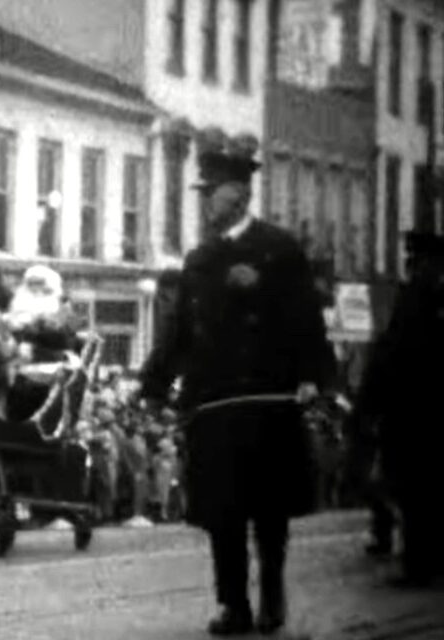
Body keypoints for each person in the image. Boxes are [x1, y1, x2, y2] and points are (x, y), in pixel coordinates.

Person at [139, 146, 331, 636]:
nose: (206, 200)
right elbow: (179, 330)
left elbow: (308, 320)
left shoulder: (279, 250)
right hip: (215, 403)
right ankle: (233, 604)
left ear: (241, 195)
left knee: (269, 510)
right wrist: (154, 384)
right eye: (204, 192)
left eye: (213, 192)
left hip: (267, 400)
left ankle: (272, 596)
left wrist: (310, 374)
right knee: (222, 512)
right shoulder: (200, 259)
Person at [353, 231, 444, 587]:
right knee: (420, 489)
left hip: (412, 411)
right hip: (419, 410)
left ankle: (420, 563)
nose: (408, 264)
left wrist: (368, 405)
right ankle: (425, 559)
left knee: (415, 490)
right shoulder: (424, 295)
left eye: (413, 258)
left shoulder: (416, 297)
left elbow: (391, 354)